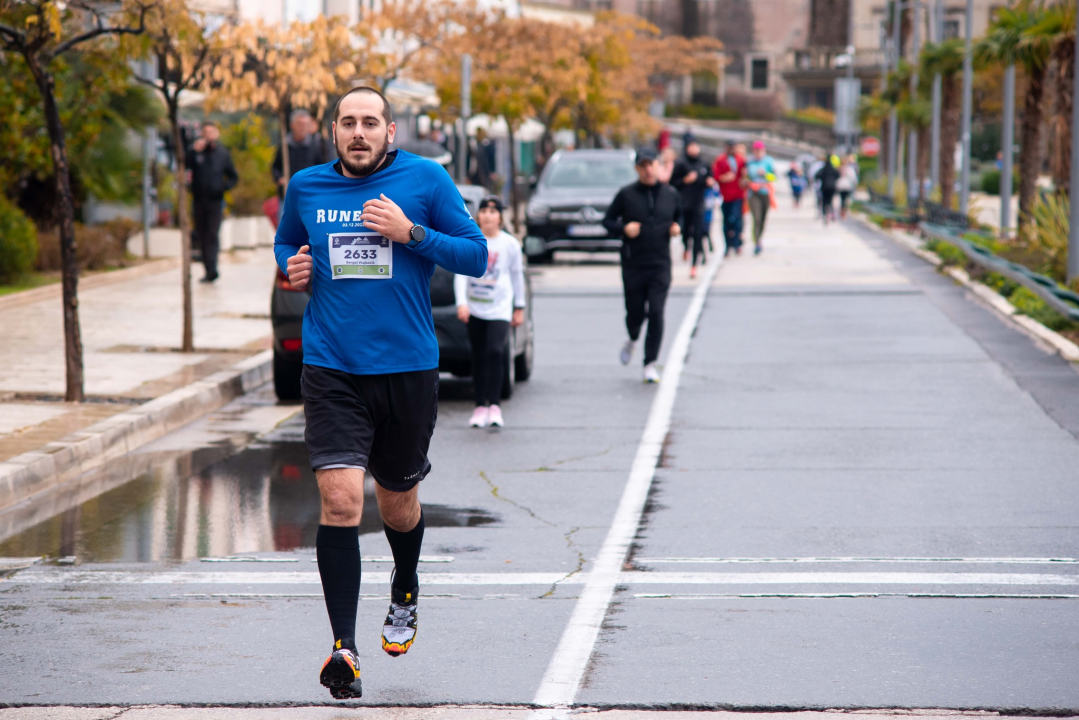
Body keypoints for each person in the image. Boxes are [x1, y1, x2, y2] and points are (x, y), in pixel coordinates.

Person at [275, 86, 487, 700]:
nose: (359, 133)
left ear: (391, 130)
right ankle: (344, 647)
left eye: (371, 122)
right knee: (341, 501)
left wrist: (411, 231)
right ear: (332, 133)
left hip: (407, 370)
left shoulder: (427, 179)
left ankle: (406, 583)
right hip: (332, 367)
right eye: (348, 123)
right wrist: (293, 266)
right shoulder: (307, 187)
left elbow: (475, 256)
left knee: (397, 505)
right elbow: (288, 243)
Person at [603, 147, 682, 384]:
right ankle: (633, 337)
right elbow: (607, 220)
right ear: (637, 168)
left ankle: (650, 363)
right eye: (643, 165)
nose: (648, 169)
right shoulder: (626, 194)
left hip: (660, 264)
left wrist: (677, 227)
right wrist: (623, 229)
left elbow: (681, 216)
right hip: (633, 264)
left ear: (658, 166)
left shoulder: (670, 193)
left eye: (652, 164)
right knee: (635, 312)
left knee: (657, 312)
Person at [454, 195, 526, 429]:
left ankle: (494, 405)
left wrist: (519, 306)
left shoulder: (509, 244)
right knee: (478, 355)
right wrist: (461, 302)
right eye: (484, 211)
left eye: (493, 212)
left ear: (500, 217)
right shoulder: (471, 241)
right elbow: (461, 272)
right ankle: (479, 406)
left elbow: (517, 276)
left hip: (500, 308)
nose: (488, 216)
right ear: (478, 216)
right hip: (475, 306)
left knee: (496, 351)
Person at [187, 121, 238, 283]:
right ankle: (208, 269)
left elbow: (233, 176)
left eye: (211, 132)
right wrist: (193, 151)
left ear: (216, 134)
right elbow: (184, 167)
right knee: (201, 235)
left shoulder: (222, 153)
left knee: (212, 234)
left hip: (216, 201)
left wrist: (222, 188)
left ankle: (213, 268)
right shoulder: (195, 152)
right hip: (198, 200)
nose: (208, 136)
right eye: (205, 132)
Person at [670, 132, 714, 278]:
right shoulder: (681, 163)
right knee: (685, 232)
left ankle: (694, 265)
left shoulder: (704, 163)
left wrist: (709, 183)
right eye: (691, 146)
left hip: (698, 204)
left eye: (696, 146)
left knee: (698, 234)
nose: (694, 149)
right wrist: (685, 181)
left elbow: (710, 178)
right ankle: (685, 247)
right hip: (684, 204)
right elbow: (672, 184)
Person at [273, 109, 326, 200]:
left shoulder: (316, 145)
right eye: (300, 124)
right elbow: (275, 167)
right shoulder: (285, 146)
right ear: (292, 125)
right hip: (287, 193)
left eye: (305, 124)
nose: (303, 127)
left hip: (310, 193)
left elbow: (323, 167)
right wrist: (280, 178)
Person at [712, 140, 747, 257]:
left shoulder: (741, 160)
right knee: (726, 221)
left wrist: (744, 179)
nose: (733, 150)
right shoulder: (720, 160)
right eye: (731, 147)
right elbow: (715, 176)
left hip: (738, 194)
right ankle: (728, 245)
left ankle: (737, 243)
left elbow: (746, 175)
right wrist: (723, 178)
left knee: (736, 219)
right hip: (725, 196)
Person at [745, 140, 776, 255]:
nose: (758, 153)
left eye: (760, 150)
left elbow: (774, 177)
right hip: (753, 193)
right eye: (756, 150)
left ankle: (760, 237)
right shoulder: (749, 162)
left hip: (765, 192)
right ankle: (757, 242)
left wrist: (765, 174)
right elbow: (746, 176)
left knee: (763, 219)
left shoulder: (769, 161)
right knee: (756, 218)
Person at [815, 154, 841, 224]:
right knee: (831, 201)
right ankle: (831, 214)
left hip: (824, 187)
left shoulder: (823, 169)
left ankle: (824, 215)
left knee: (824, 201)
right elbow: (838, 176)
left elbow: (817, 176)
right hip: (832, 187)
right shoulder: (833, 169)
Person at [836, 154, 859, 219]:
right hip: (848, 185)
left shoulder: (839, 168)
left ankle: (842, 210)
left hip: (840, 185)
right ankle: (845, 210)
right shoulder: (849, 169)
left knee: (842, 199)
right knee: (847, 199)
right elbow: (853, 177)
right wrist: (855, 184)